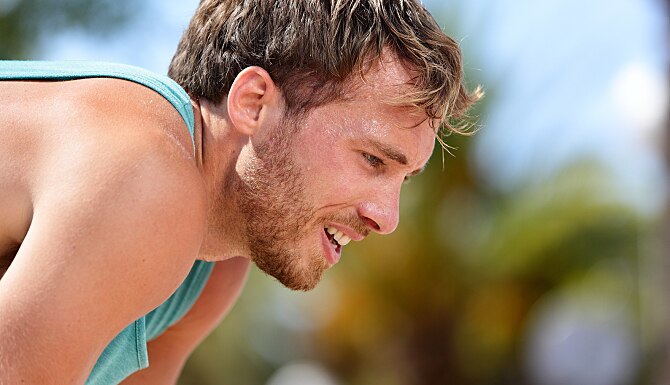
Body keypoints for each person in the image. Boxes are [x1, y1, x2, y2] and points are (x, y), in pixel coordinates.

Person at [0, 0, 480, 384]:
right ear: (254, 104)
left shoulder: (212, 270)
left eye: (404, 178)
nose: (388, 218)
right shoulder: (146, 171)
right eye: (373, 159)